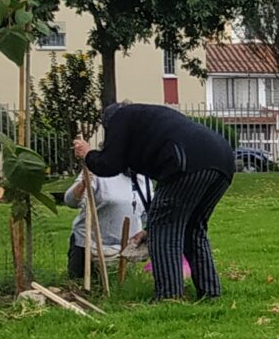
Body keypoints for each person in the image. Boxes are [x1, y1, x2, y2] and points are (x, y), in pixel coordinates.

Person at [74, 103, 234, 301]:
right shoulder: (148, 120)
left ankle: (169, 296)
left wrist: (88, 154)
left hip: (187, 163)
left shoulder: (120, 117)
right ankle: (210, 293)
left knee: (163, 227)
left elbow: (109, 164)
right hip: (223, 161)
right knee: (193, 228)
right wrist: (149, 228)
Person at [63, 164, 147, 286]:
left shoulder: (144, 178)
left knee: (121, 290)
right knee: (81, 288)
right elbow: (70, 201)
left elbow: (145, 212)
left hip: (127, 250)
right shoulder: (98, 170)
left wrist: (144, 231)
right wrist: (83, 184)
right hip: (89, 247)